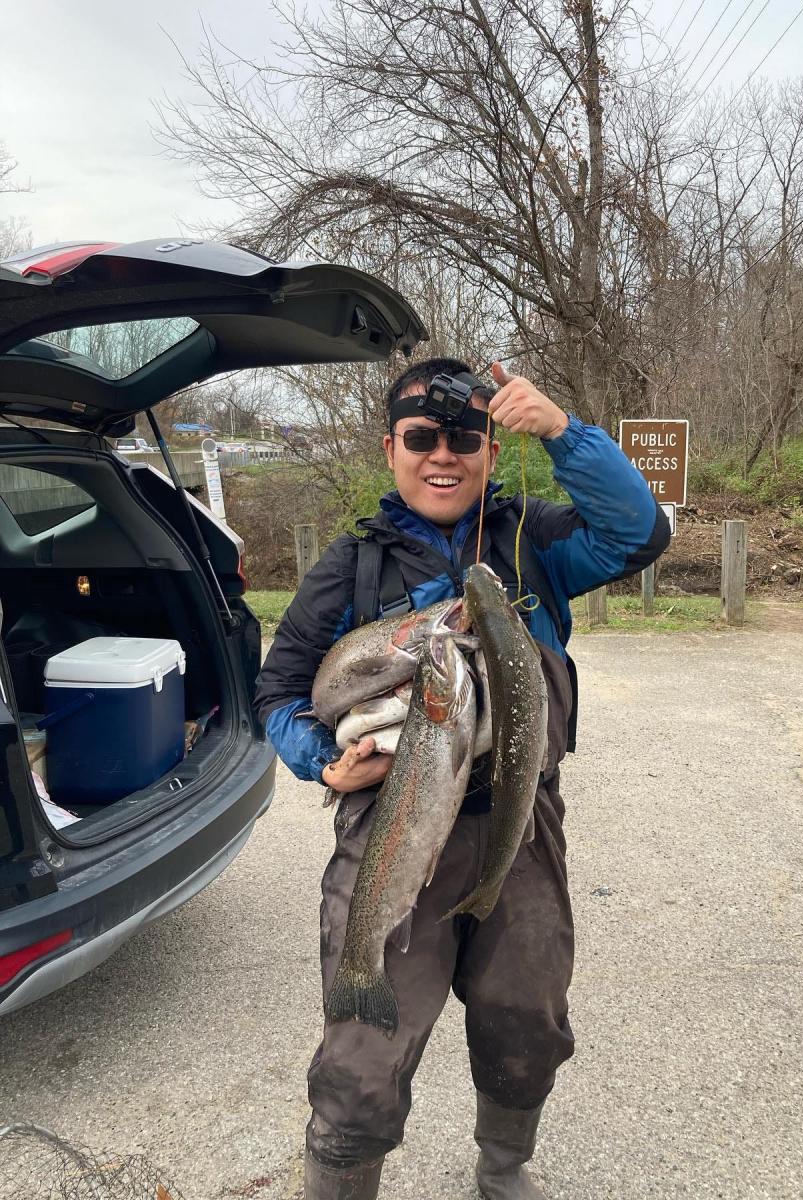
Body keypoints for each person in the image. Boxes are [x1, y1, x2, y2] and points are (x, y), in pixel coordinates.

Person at [255, 357, 671, 1200]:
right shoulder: (351, 566)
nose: (442, 455)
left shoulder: (536, 541)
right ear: (390, 448)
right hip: (391, 827)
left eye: (465, 436)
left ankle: (504, 1169)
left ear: (488, 445)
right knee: (363, 1051)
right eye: (420, 438)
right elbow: (276, 691)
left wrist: (562, 433)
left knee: (527, 1019)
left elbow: (639, 535)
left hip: (520, 826)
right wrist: (319, 758)